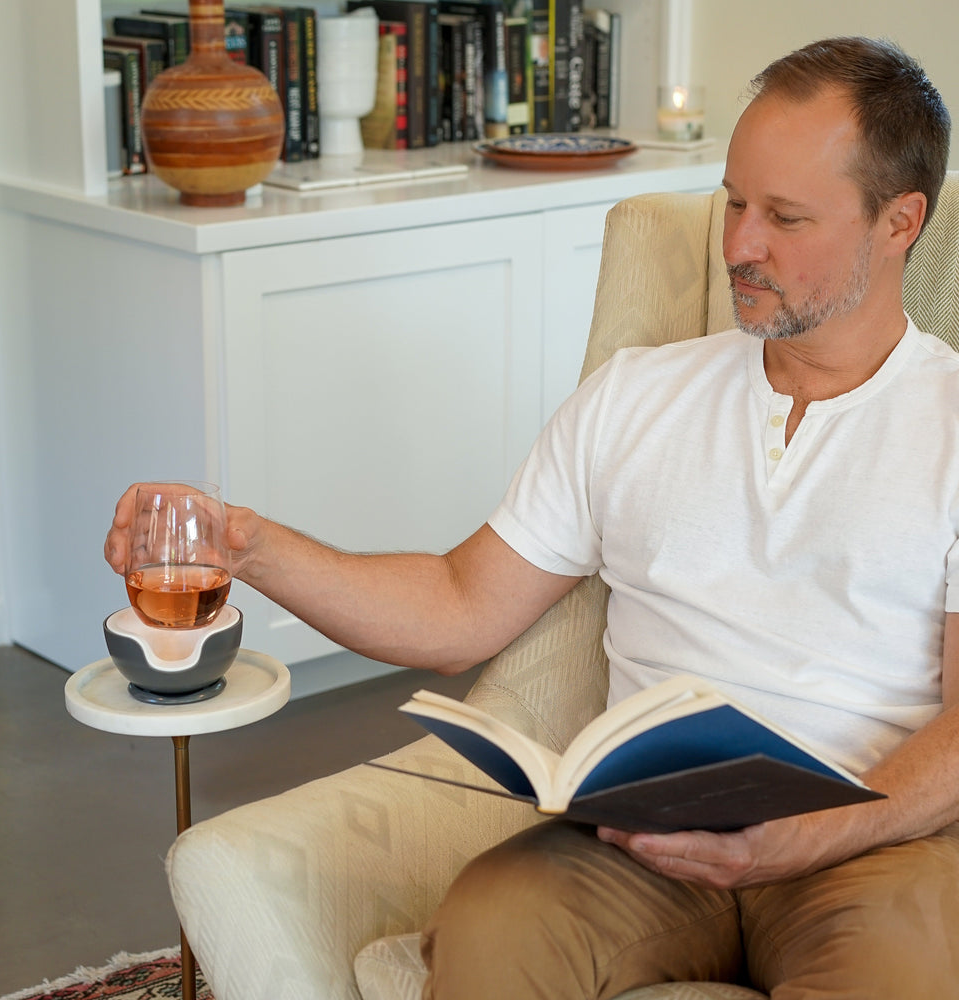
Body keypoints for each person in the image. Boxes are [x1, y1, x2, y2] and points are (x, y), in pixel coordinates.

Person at [106, 36, 958, 999]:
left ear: (900, 222)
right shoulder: (636, 396)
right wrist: (246, 543)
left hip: (867, 842)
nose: (737, 246)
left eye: (786, 217)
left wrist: (817, 832)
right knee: (489, 929)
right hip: (644, 842)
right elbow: (458, 605)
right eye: (734, 202)